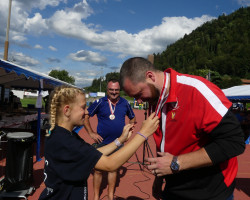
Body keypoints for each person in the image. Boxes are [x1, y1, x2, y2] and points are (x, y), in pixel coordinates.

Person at [120, 57, 245, 200]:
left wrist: (176, 163)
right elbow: (164, 144)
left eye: (139, 94)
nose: (139, 101)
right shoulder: (155, 99)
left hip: (210, 192)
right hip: (174, 189)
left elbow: (234, 142)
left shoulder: (197, 90)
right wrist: (159, 179)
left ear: (150, 76)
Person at [38, 85, 159, 200]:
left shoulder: (62, 135)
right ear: (67, 110)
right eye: (83, 107)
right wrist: (143, 134)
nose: (86, 112)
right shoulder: (66, 142)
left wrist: (120, 140)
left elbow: (92, 153)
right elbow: (110, 164)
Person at [83, 79, 136, 200]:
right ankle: (96, 196)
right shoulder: (99, 102)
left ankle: (110, 195)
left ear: (119, 90)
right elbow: (86, 116)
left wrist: (129, 132)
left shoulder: (125, 103)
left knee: (113, 169)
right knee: (98, 170)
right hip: (101, 142)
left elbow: (132, 118)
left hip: (118, 143)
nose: (114, 92)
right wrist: (91, 133)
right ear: (107, 90)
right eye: (111, 89)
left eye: (116, 90)